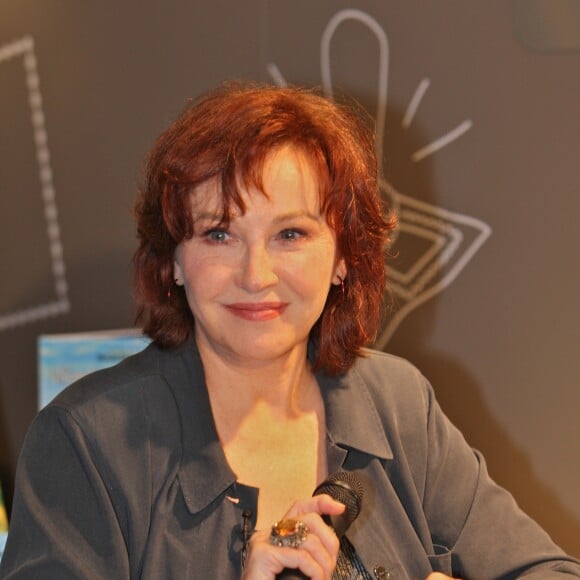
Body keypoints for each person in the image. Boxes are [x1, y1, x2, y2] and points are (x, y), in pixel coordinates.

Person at [0, 83, 578, 580]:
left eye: (291, 235)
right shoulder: (83, 445)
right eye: (219, 234)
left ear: (343, 258)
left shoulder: (398, 405)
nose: (256, 275)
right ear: (173, 260)